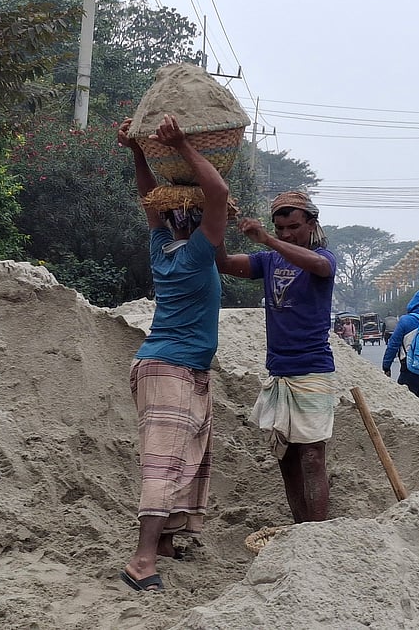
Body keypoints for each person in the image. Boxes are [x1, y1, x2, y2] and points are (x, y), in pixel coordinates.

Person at [117, 114, 229, 592]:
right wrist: (182, 147)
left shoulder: (162, 245)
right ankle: (142, 561)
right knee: (164, 463)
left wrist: (140, 153)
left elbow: (148, 200)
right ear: (195, 221)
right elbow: (219, 195)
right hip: (173, 368)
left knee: (182, 457)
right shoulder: (197, 252)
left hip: (166, 365)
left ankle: (161, 543)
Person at [217, 191, 338, 523]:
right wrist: (216, 225)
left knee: (312, 456)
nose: (287, 234)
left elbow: (319, 266)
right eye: (280, 228)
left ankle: (318, 532)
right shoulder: (269, 261)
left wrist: (267, 239)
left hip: (313, 371)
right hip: (280, 371)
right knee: (286, 456)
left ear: (312, 224)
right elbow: (224, 264)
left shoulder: (324, 257)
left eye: (293, 227)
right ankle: (302, 528)